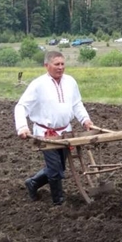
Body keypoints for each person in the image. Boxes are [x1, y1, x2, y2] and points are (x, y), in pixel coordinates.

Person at [15, 51, 94, 205]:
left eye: (62, 64)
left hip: (65, 132)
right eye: (56, 64)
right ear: (47, 65)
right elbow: (21, 106)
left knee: (60, 167)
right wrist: (22, 127)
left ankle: (33, 183)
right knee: (55, 169)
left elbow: (77, 103)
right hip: (45, 134)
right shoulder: (38, 84)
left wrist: (85, 119)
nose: (60, 67)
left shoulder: (70, 82)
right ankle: (59, 201)